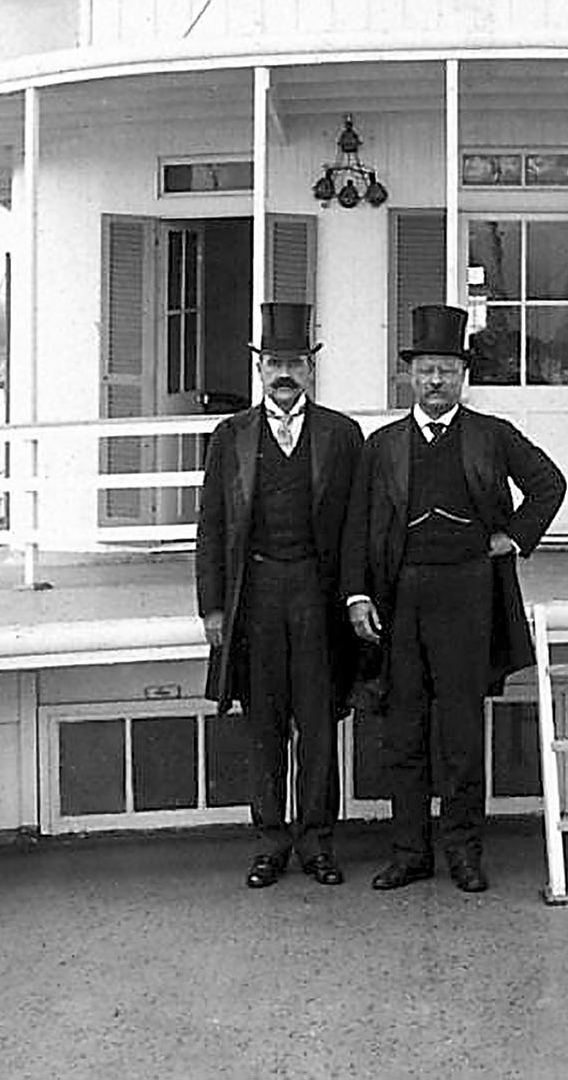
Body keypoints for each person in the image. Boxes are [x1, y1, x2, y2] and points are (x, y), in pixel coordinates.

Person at [343, 304, 566, 894]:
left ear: (463, 376)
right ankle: (410, 852)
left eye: (445, 369)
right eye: (425, 371)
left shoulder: (491, 437)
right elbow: (359, 528)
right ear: (409, 378)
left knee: (463, 731)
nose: (435, 381)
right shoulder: (383, 445)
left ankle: (464, 852)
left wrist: (512, 538)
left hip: (468, 593)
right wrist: (360, 595)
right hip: (401, 596)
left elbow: (550, 484)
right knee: (405, 728)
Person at [196, 302, 364, 889]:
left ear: (310, 369)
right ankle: (270, 843)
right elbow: (212, 526)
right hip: (258, 593)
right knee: (264, 723)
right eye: (273, 362)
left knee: (318, 724)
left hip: (317, 594)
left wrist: (353, 596)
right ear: (259, 369)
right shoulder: (231, 435)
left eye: (294, 361)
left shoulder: (342, 435)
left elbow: (356, 528)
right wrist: (214, 607)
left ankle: (318, 843)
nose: (284, 372)